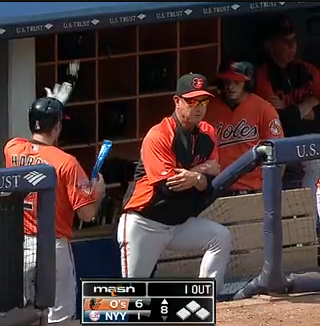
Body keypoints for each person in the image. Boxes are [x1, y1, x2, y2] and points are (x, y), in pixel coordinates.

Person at [118, 73, 231, 293]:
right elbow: (167, 188)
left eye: (203, 102)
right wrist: (200, 174)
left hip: (177, 224)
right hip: (144, 223)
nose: (198, 108)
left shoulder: (208, 133)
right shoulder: (158, 135)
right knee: (133, 296)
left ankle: (210, 300)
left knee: (220, 237)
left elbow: (213, 177)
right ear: (177, 102)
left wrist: (195, 178)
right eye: (191, 102)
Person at [4, 83, 107, 323]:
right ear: (58, 126)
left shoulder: (12, 148)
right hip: (53, 248)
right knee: (59, 319)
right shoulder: (66, 163)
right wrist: (98, 192)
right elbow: (87, 214)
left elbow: (34, 146)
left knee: (22, 315)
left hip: (18, 244)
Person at [254, 15, 319, 222]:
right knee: (314, 165)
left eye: (294, 40)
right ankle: (310, 224)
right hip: (280, 144)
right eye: (285, 41)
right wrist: (310, 103)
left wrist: (295, 110)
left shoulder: (307, 70)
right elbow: (280, 120)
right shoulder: (263, 75)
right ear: (269, 45)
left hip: (311, 139)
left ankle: (311, 222)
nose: (292, 46)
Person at [205, 61, 284, 194]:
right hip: (218, 189)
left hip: (254, 189)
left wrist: (270, 188)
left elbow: (279, 154)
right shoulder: (208, 110)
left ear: (247, 83)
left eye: (237, 82)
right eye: (227, 82)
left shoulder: (264, 109)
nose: (230, 87)